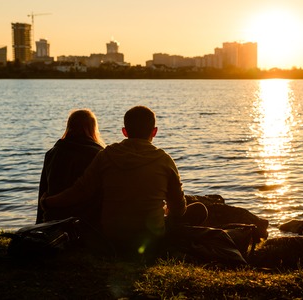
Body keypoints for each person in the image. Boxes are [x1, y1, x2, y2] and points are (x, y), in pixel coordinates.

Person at [41, 106, 207, 258]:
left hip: (111, 236)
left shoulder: (106, 155)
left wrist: (48, 202)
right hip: (150, 237)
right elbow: (179, 210)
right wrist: (165, 210)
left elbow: (80, 190)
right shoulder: (164, 160)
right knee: (199, 209)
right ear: (154, 131)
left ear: (124, 131)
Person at [37, 109, 105, 225]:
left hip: (53, 219)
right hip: (86, 221)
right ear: (93, 128)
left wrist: (40, 224)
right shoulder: (98, 154)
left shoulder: (52, 153)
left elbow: (43, 190)